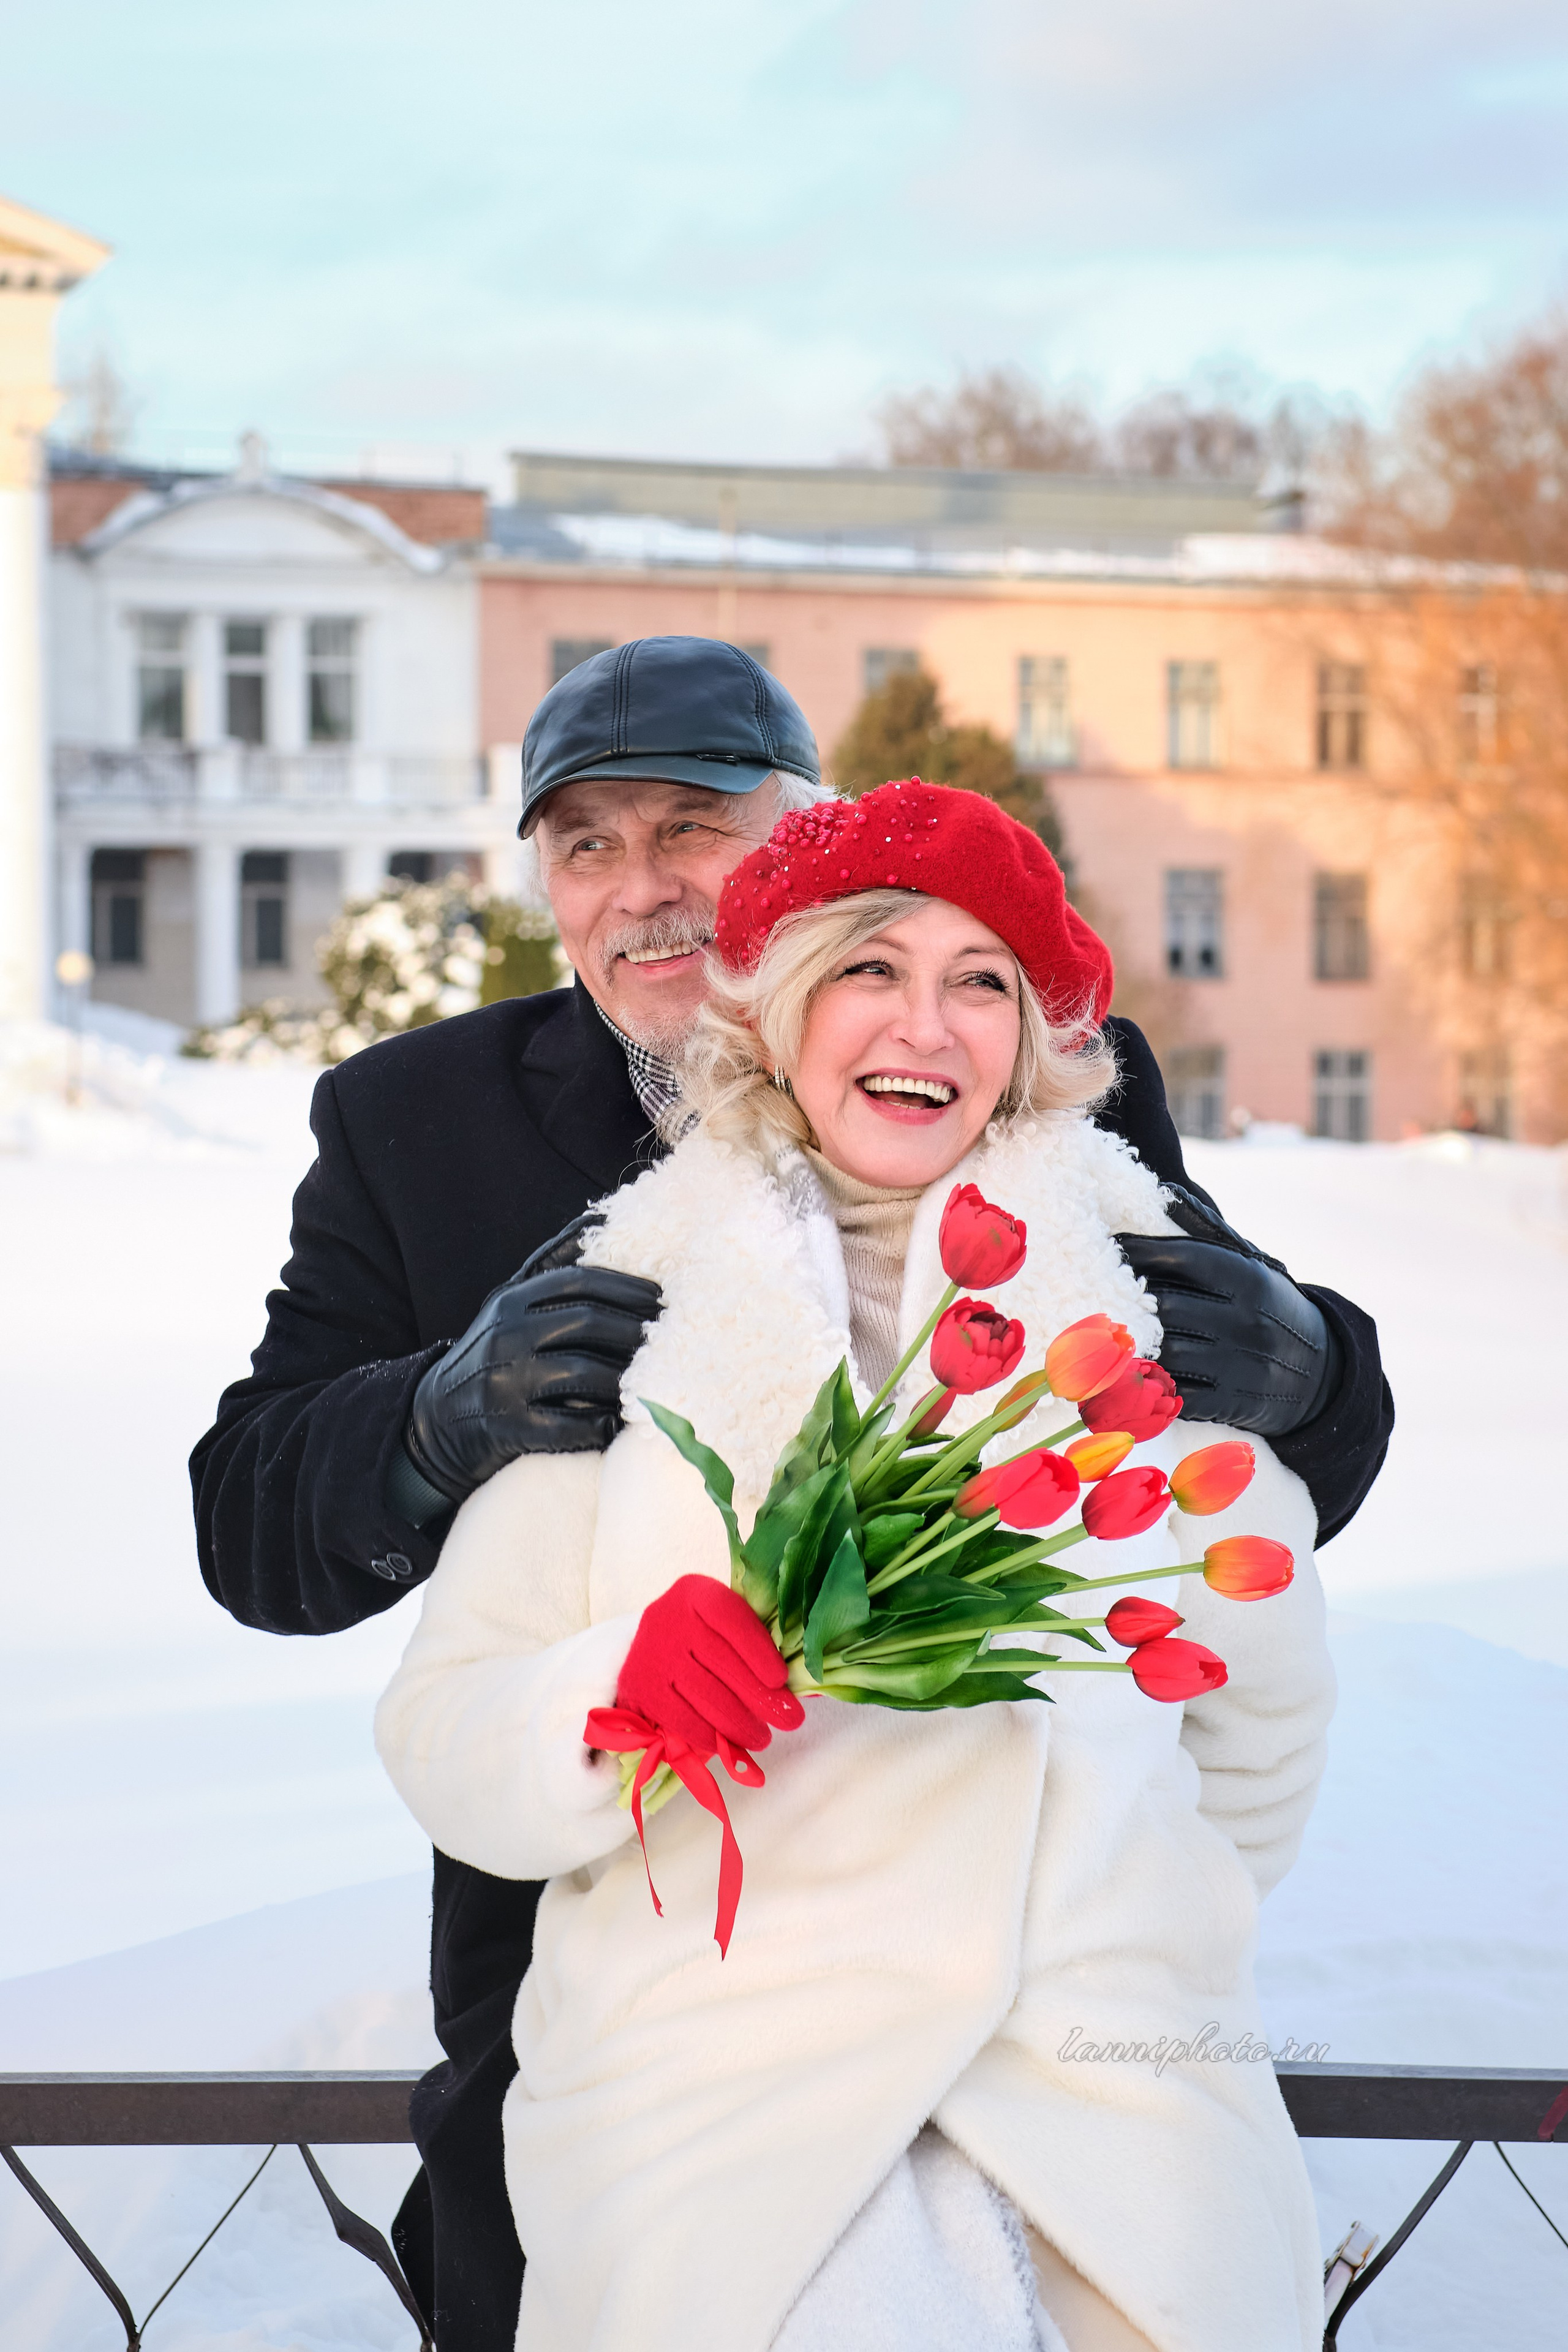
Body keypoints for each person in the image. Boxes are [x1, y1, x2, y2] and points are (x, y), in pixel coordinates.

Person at [190, 637, 1390, 2350]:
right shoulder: (423, 1126)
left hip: (1074, 2104)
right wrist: (445, 1416)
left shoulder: (1026, 1076)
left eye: (694, 825)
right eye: (585, 844)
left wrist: (1314, 1367)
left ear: (822, 843)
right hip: (633, 2009)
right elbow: (257, 1527)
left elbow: (1224, 1510)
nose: (642, 889)